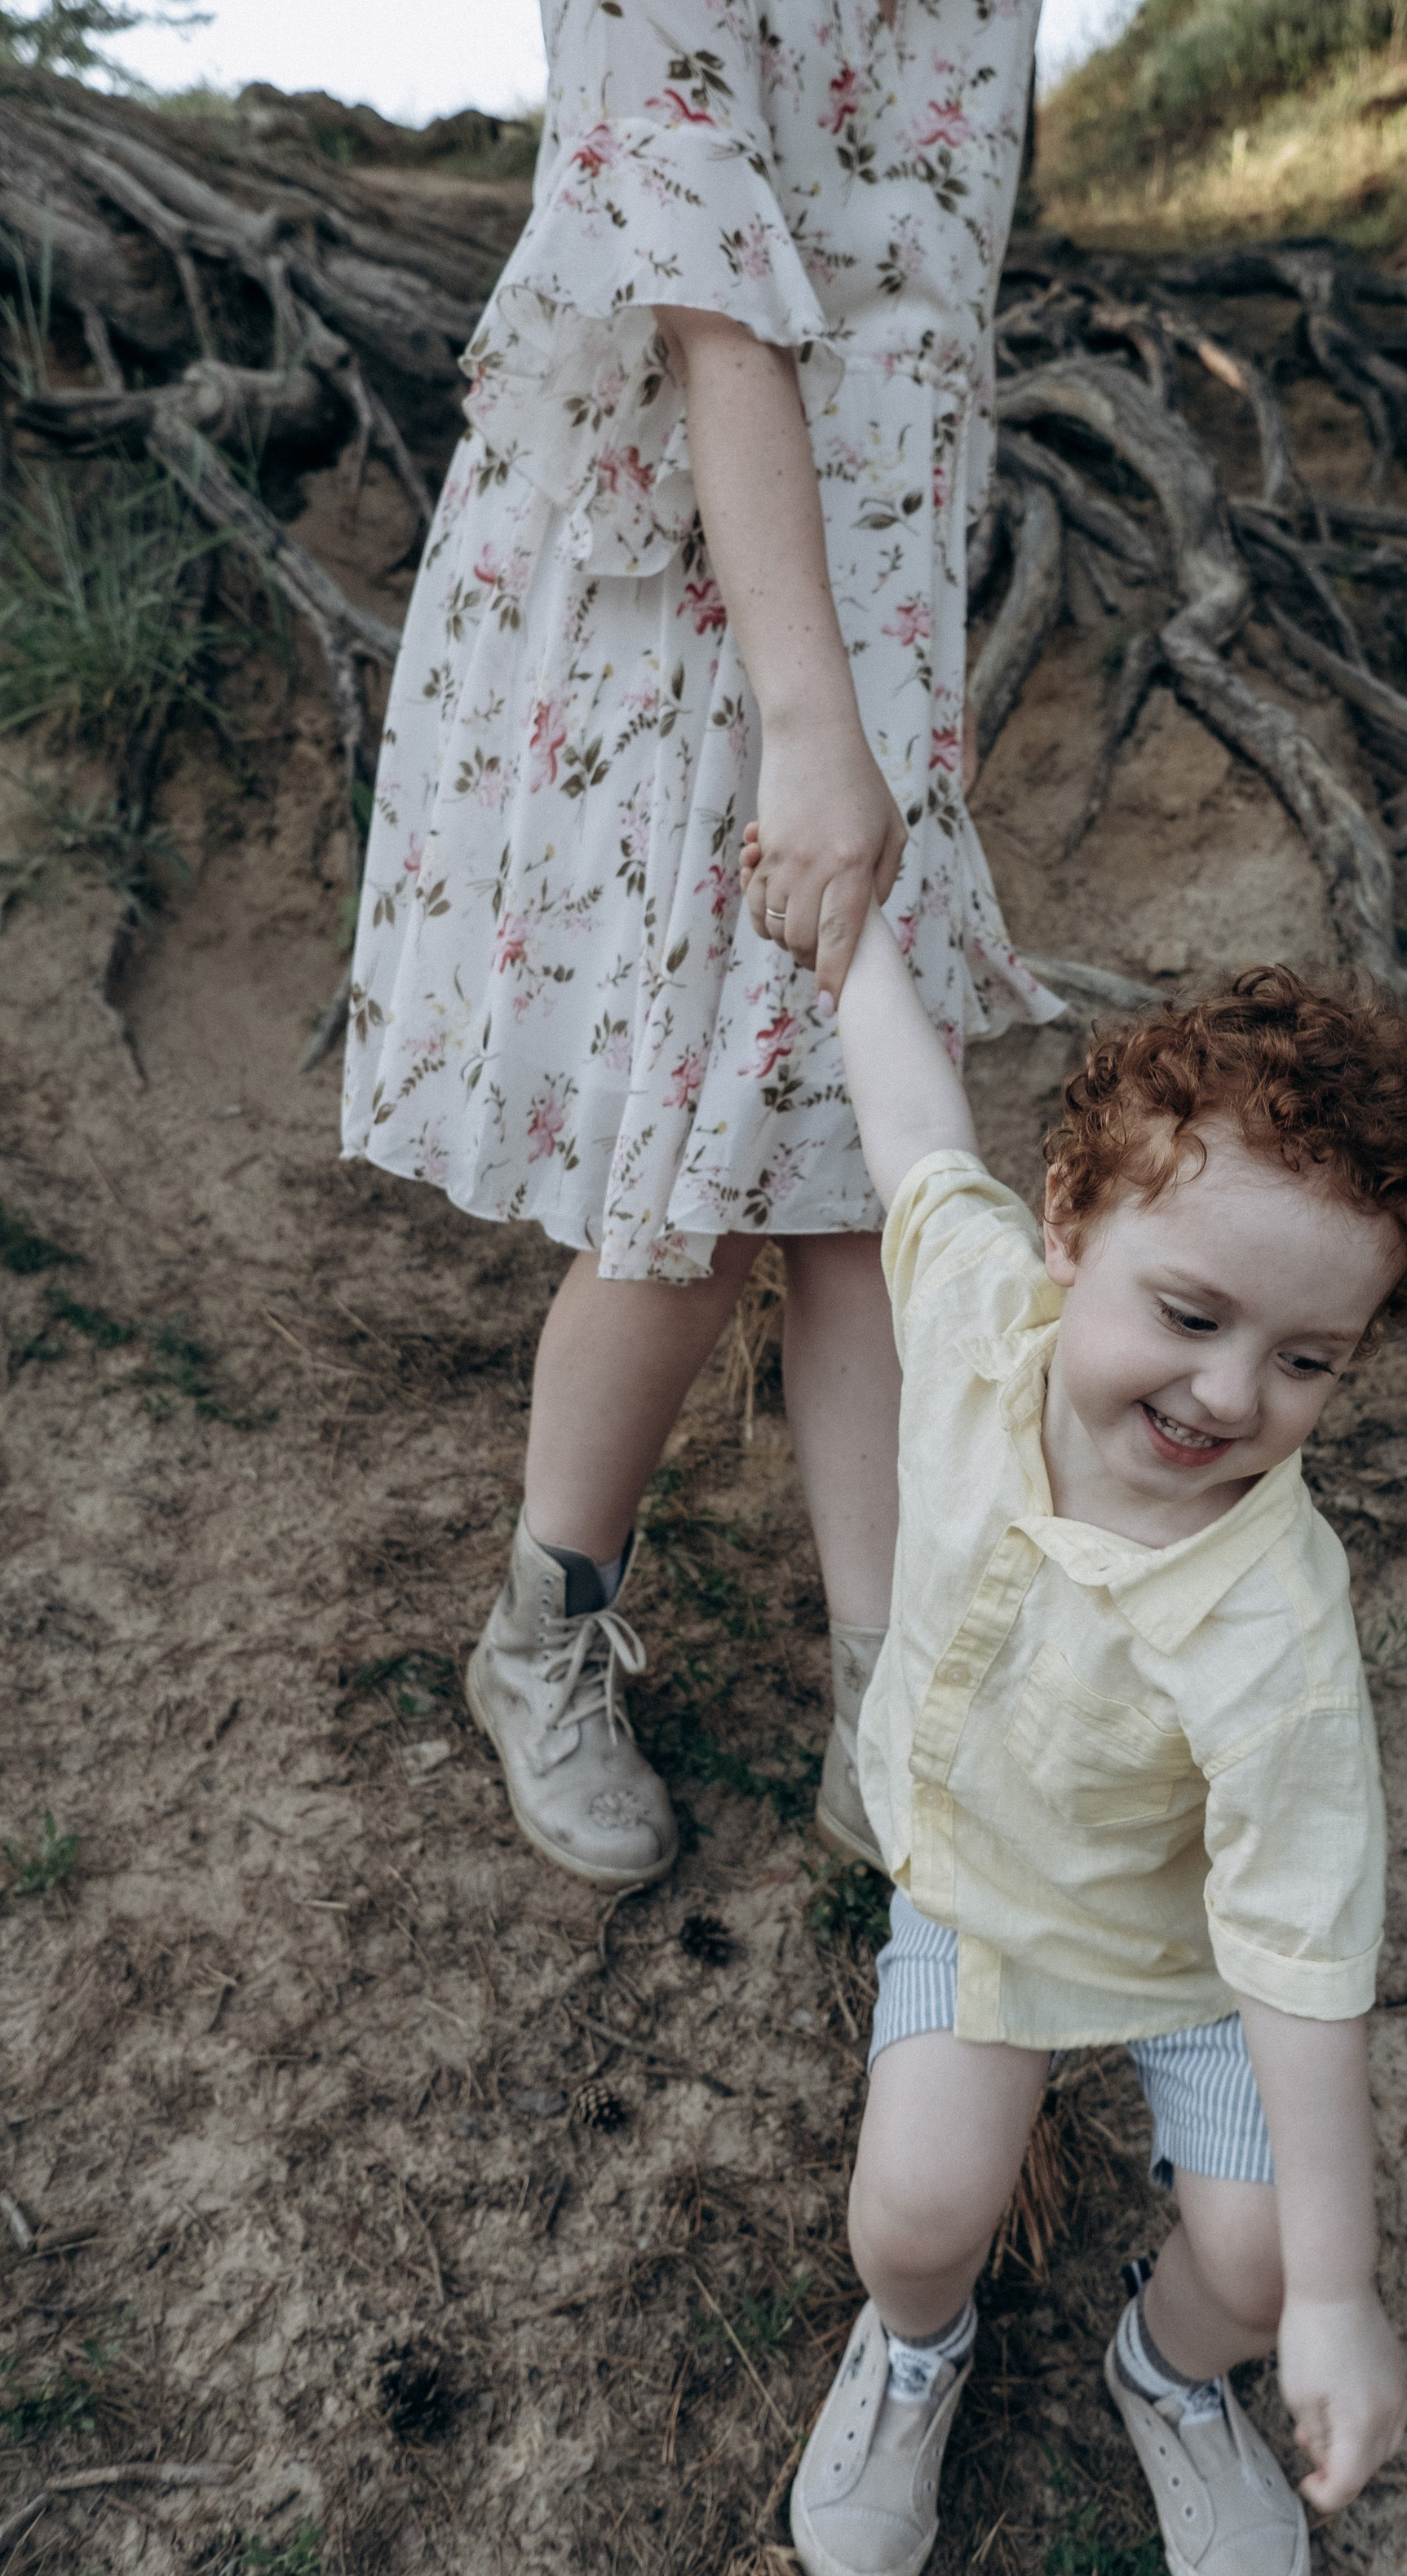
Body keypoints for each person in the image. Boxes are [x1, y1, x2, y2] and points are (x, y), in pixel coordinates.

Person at [339, 0, 1056, 1891]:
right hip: (686, 584)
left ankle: (889, 1706)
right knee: (708, 1172)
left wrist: (875, 681)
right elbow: (710, 287)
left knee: (862, 1175)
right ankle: (539, 1635)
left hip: (873, 576)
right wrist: (810, 723)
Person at [781, 912, 1407, 2576]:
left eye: (1305, 1360)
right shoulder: (974, 1319)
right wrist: (848, 927)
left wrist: (1330, 2291)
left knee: (1249, 2259)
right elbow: (911, 1126)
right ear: (1070, 1225)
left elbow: (1304, 1963)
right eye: (1188, 1311)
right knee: (914, 2215)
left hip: (1188, 1957)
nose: (1229, 1391)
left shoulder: (1274, 1633)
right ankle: (912, 2347)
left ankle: (1171, 2375)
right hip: (983, 1893)